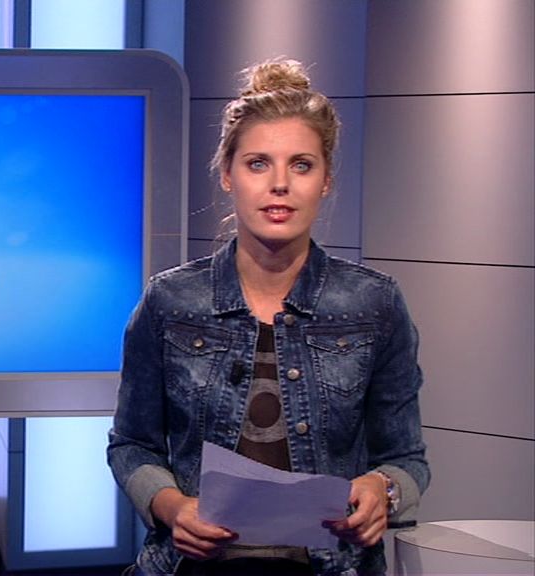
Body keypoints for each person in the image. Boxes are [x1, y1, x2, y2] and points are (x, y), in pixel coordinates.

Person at [107, 58, 429, 576]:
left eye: (301, 165)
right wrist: (171, 506)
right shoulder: (170, 301)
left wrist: (382, 489)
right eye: (258, 163)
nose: (280, 184)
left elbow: (408, 459)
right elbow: (132, 445)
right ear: (227, 174)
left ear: (326, 180)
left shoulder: (375, 304)